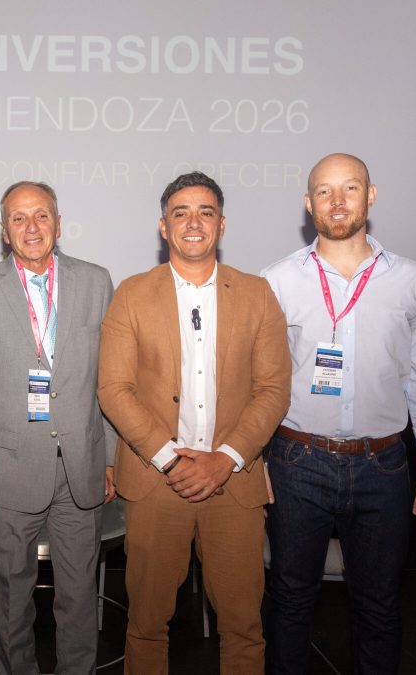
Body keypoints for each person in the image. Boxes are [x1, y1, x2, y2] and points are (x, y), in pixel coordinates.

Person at [261, 153, 416, 674]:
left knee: (380, 606)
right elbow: (260, 382)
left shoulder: (410, 280)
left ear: (371, 195)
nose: (338, 201)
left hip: (383, 467)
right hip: (297, 463)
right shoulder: (277, 280)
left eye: (350, 188)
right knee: (289, 601)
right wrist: (256, 460)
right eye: (324, 191)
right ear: (309, 203)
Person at [98, 171, 291, 674]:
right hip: (156, 481)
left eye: (206, 212)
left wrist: (224, 460)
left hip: (234, 484)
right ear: (163, 226)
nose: (193, 223)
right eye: (180, 213)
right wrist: (171, 460)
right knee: (146, 625)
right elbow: (113, 389)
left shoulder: (258, 294)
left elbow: (273, 390)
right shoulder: (132, 294)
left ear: (221, 225)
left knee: (244, 628)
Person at [0, 181, 116, 674]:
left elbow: (110, 380)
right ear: (4, 232)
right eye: (18, 218)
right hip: (5, 467)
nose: (31, 227)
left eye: (41, 215)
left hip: (81, 466)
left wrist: (110, 457)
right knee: (8, 599)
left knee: (79, 597)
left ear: (58, 225)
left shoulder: (96, 282)